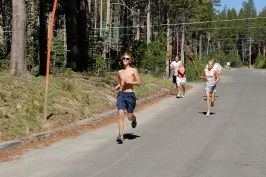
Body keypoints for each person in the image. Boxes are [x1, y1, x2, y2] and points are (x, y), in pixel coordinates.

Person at [115, 52, 141, 143]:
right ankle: (121, 135)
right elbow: (119, 82)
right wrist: (118, 86)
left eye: (127, 59)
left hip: (130, 95)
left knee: (129, 116)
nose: (125, 60)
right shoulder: (120, 72)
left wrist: (129, 83)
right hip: (121, 95)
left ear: (130, 61)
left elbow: (138, 82)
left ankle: (134, 119)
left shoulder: (133, 70)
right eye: (123, 58)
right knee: (120, 114)